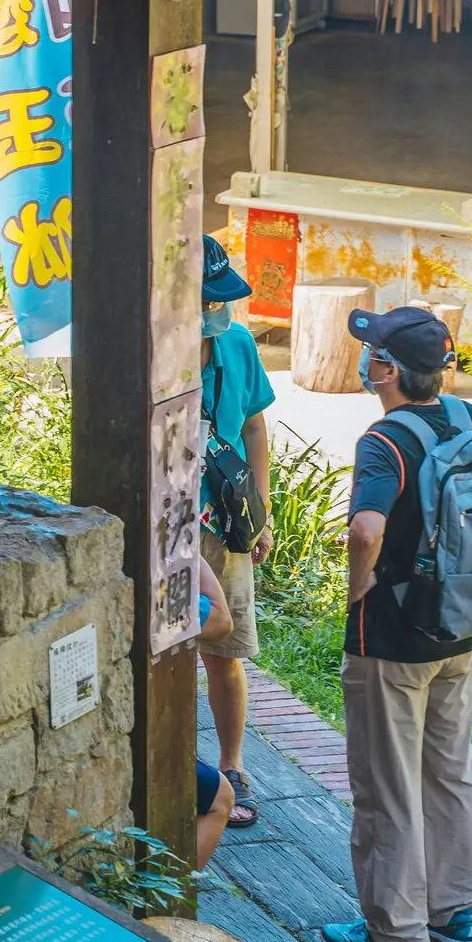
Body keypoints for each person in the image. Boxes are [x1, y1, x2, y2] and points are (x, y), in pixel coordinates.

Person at [321, 306, 472, 942]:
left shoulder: (384, 440)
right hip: (457, 624)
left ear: (386, 369)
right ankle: (456, 913)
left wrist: (358, 587)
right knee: (449, 772)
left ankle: (397, 932)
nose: (366, 361)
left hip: (389, 634)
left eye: (371, 353)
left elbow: (366, 529)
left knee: (387, 782)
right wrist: (462, 557)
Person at [198, 234, 275, 830]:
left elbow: (253, 428)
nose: (215, 313)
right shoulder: (145, 346)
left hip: (224, 525)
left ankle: (231, 766)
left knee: (224, 652)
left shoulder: (239, 343)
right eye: (206, 301)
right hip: (164, 527)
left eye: (220, 300)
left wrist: (261, 510)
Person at [197, 555, 237, 868]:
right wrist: (190, 551)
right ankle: (166, 909)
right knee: (220, 795)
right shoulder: (159, 587)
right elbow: (222, 620)